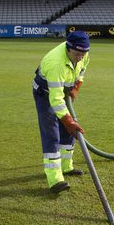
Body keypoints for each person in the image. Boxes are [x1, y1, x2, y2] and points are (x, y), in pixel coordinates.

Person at [32, 31, 90, 193]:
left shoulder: (83, 53)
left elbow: (82, 70)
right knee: (52, 133)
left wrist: (76, 87)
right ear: (68, 48)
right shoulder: (56, 63)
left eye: (83, 53)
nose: (81, 56)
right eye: (77, 53)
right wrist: (68, 120)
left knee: (68, 132)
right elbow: (55, 100)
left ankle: (66, 167)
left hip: (63, 90)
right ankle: (55, 180)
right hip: (45, 94)